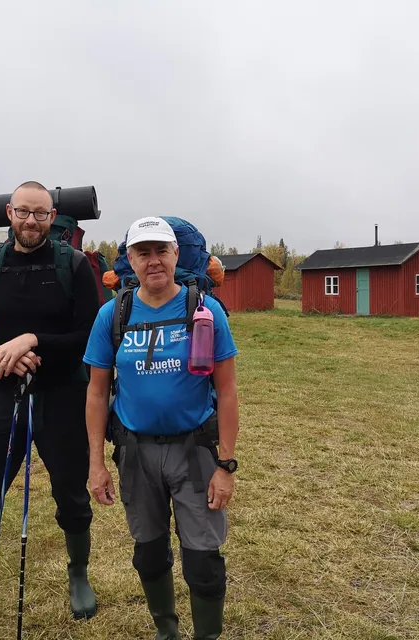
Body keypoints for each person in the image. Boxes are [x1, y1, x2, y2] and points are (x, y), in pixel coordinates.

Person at [0, 181, 100, 639]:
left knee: (71, 493)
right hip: (3, 394)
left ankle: (78, 573)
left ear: (53, 218)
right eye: (23, 212)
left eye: (41, 214)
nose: (31, 221)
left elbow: (89, 336)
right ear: (9, 213)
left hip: (64, 394)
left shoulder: (74, 265)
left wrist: (32, 341)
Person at [83, 217, 240, 640]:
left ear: (176, 255)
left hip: (196, 452)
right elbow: (97, 392)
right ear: (130, 260)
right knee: (150, 554)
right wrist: (96, 464)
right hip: (136, 454)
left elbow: (227, 392)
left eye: (161, 251)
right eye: (143, 253)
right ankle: (166, 632)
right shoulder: (112, 315)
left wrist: (226, 466)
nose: (153, 261)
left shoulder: (205, 312)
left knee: (203, 561)